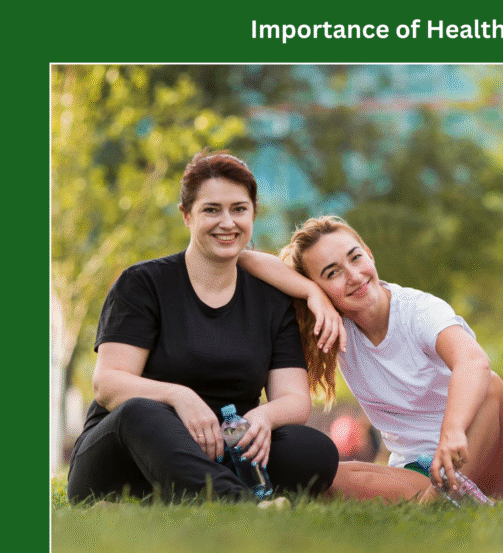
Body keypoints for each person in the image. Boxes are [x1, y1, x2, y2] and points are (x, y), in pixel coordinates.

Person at [66, 150, 342, 503]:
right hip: (126, 454)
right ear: (187, 215)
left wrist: (262, 418)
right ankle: (242, 504)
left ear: (253, 213)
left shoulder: (271, 301)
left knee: (312, 449)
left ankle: (178, 494)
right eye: (211, 210)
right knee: (139, 412)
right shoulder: (144, 284)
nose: (227, 222)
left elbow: (294, 400)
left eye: (239, 209)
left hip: (223, 447)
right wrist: (177, 397)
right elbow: (107, 384)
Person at [239, 216, 503, 503]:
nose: (353, 275)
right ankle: (444, 499)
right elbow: (246, 258)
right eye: (332, 273)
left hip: (497, 455)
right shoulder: (336, 328)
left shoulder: (418, 311)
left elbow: (472, 362)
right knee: (322, 474)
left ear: (369, 255)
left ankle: (436, 504)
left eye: (355, 257)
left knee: (489, 385)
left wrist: (452, 431)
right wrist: (310, 293)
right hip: (424, 472)